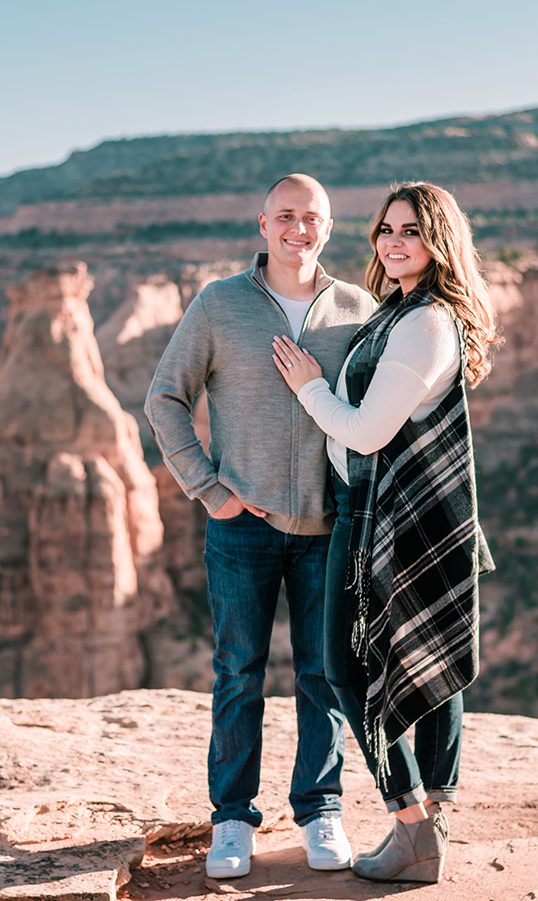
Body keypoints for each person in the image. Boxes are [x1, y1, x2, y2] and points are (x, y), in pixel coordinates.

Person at [145, 174, 376, 879]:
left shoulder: (355, 310)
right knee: (238, 671)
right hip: (240, 527)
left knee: (324, 674)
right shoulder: (220, 304)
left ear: (328, 229)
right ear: (262, 223)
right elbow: (164, 399)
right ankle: (232, 818)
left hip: (327, 528)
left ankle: (319, 807)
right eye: (285, 216)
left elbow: (378, 413)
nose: (297, 229)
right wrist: (208, 490)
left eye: (311, 218)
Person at [271, 181, 497, 884]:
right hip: (389, 514)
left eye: (412, 231)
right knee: (420, 663)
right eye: (387, 229)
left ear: (439, 243)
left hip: (388, 522)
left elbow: (368, 430)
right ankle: (427, 817)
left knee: (345, 662)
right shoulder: (403, 310)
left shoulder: (426, 323)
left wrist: (309, 387)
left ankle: (411, 823)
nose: (394, 242)